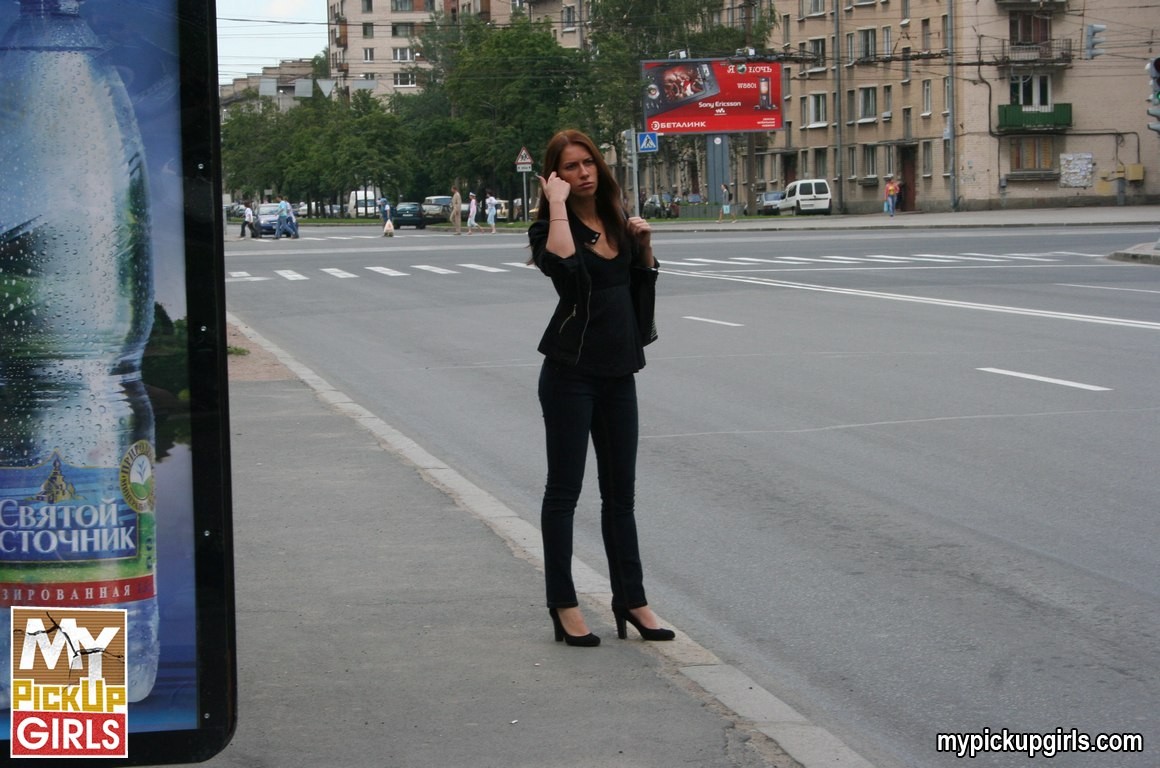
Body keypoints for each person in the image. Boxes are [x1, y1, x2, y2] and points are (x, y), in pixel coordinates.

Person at [528, 128, 673, 648]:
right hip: (570, 374)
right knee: (564, 494)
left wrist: (646, 246)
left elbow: (638, 292)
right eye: (570, 166)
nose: (584, 172)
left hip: (618, 374)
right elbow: (567, 269)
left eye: (588, 162)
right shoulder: (549, 227)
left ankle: (631, 600)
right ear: (555, 176)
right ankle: (563, 604)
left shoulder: (617, 221)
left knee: (621, 497)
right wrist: (557, 205)